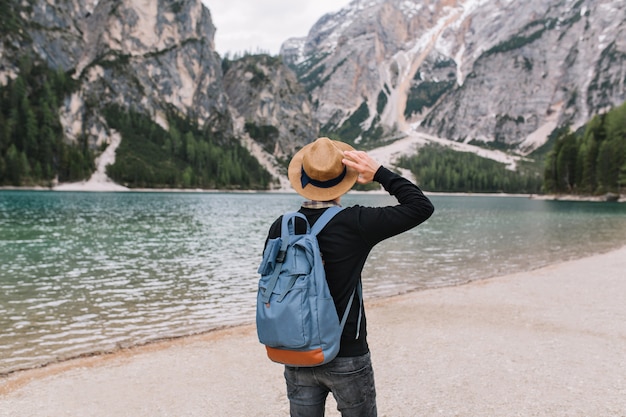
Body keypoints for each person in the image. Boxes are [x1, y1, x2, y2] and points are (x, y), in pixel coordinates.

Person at [263, 137, 434, 417]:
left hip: (296, 349)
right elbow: (420, 207)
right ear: (344, 180)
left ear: (304, 179)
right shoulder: (356, 223)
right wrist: (379, 172)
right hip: (347, 353)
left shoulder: (281, 227)